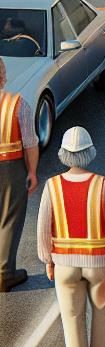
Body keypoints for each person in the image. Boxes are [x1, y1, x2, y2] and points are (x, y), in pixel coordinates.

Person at [37, 127, 105, 347]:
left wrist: (47, 260)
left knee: (71, 317)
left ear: (64, 154)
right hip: (101, 263)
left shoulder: (52, 186)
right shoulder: (104, 185)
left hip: (64, 263)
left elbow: (44, 227)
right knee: (102, 313)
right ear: (90, 153)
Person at [0, 57, 39, 292]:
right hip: (10, 166)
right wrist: (32, 172)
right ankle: (5, 273)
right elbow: (30, 143)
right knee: (10, 218)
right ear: (4, 75)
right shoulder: (17, 104)